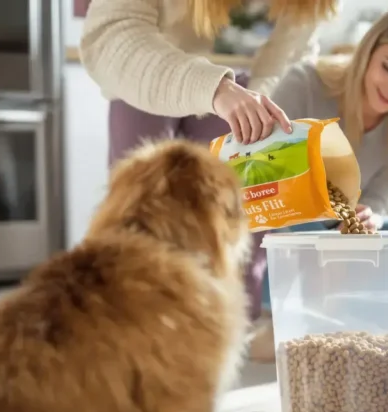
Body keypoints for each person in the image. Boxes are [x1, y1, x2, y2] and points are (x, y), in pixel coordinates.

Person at [79, 0, 338, 321]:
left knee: (242, 222)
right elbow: (112, 35)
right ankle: (131, 330)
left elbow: (287, 54)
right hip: (149, 72)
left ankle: (225, 333)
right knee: (138, 220)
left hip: (247, 86)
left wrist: (261, 104)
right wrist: (214, 88)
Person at [247, 1, 388, 362]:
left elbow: (376, 197)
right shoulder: (306, 84)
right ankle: (307, 329)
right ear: (368, 52)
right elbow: (260, 175)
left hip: (341, 233)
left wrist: (370, 216)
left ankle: (366, 331)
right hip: (283, 235)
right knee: (320, 233)